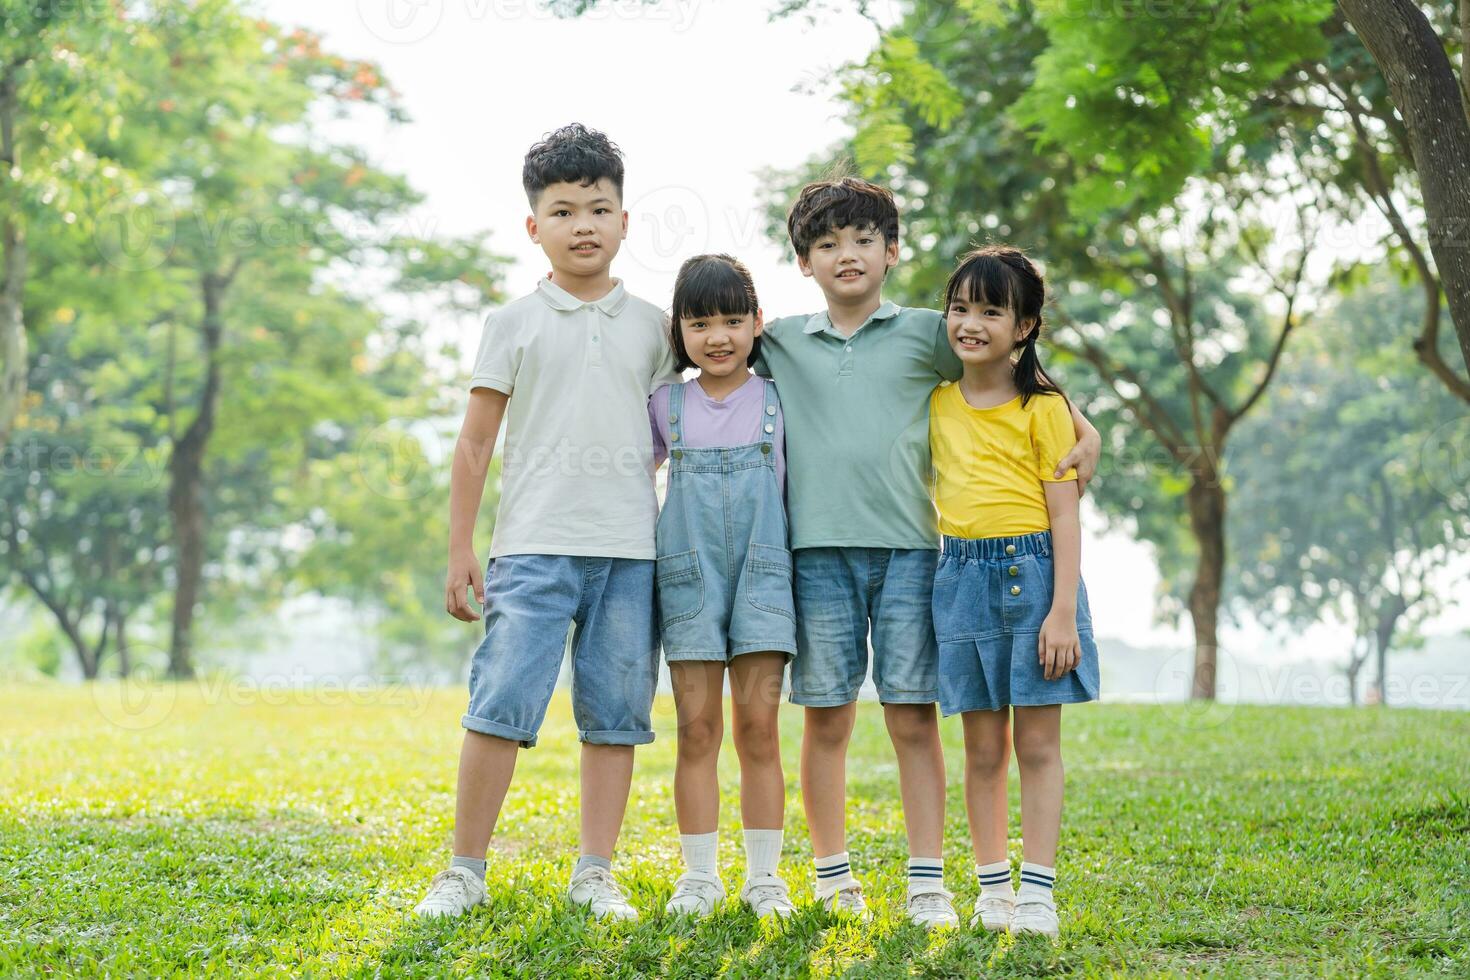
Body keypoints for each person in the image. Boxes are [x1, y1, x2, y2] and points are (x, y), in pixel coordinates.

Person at [754, 175, 1102, 928]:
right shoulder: (777, 340)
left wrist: (1087, 430)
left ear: (891, 251)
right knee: (827, 718)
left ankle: (926, 885)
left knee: (913, 717)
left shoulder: (928, 332)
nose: (846, 255)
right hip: (815, 553)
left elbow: (1010, 379)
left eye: (862, 240)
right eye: (826, 244)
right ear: (804, 263)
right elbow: (706, 355)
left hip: (916, 553)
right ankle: (833, 876)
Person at [413, 123, 679, 921]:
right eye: (563, 212)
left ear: (626, 220)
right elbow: (475, 441)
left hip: (631, 553)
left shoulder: (657, 328)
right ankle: (464, 870)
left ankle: (595, 872)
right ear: (535, 227)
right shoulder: (512, 323)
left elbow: (671, 433)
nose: (584, 225)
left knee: (616, 720)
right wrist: (461, 546)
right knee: (499, 707)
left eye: (600, 208)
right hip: (530, 551)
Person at [928, 245, 1101, 939]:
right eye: (960, 308)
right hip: (960, 576)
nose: (971, 323)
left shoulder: (1045, 409)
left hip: (1033, 578)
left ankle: (1038, 893)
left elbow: (1066, 514)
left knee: (1035, 745)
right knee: (981, 749)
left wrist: (1062, 613)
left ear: (1024, 326)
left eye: (991, 311)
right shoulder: (936, 400)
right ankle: (992, 888)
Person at [648, 254, 796, 921]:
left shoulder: (778, 398)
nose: (718, 336)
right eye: (700, 321)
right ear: (677, 330)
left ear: (757, 322)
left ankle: (765, 878)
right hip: (688, 578)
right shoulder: (664, 405)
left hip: (765, 576)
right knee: (697, 729)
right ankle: (700, 877)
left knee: (759, 728)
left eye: (733, 320)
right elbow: (621, 477)